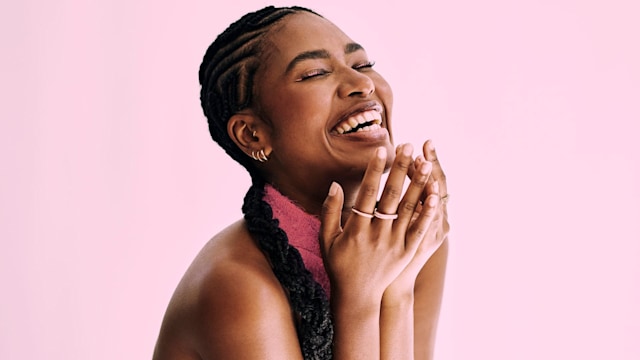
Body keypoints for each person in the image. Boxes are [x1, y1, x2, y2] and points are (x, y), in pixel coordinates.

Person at [153, 5, 449, 360]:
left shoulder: (408, 243)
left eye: (362, 64)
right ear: (252, 134)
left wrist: (398, 288)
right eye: (314, 73)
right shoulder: (238, 285)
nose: (363, 84)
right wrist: (360, 300)